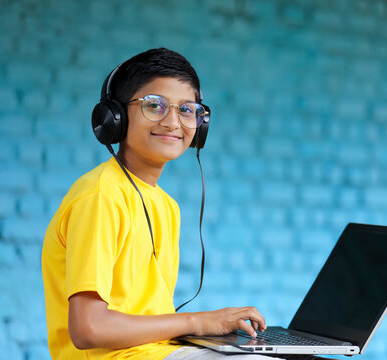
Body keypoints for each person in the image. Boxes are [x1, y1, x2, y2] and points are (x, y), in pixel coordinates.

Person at [42, 47, 331, 360]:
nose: (172, 122)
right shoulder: (101, 197)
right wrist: (199, 321)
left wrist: (208, 328)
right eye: (154, 105)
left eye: (186, 109)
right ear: (116, 117)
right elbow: (89, 329)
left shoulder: (166, 206)